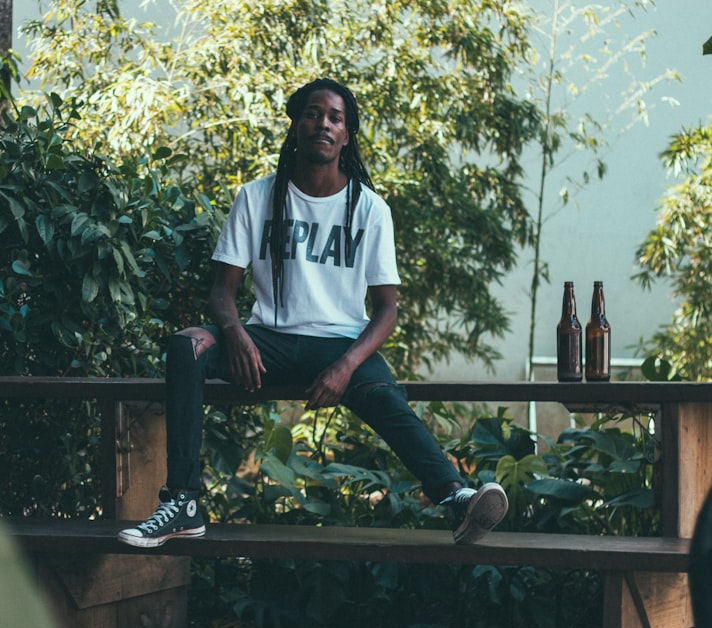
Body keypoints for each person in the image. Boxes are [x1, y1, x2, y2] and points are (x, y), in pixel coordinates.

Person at [117, 78, 507, 549]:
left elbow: (386, 310)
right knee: (186, 346)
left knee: (385, 397)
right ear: (296, 125)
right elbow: (221, 293)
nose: (323, 123)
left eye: (335, 118)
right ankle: (182, 502)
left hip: (341, 344)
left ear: (347, 135)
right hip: (268, 340)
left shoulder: (369, 209)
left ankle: (456, 498)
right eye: (313, 114)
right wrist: (236, 332)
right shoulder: (256, 198)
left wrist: (346, 366)